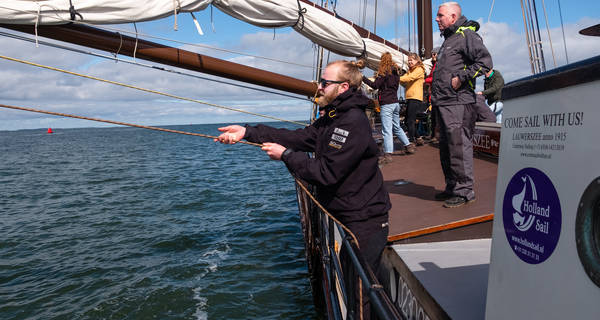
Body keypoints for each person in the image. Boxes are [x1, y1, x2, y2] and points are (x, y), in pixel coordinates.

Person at [215, 60, 391, 319]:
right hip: (350, 214)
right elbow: (299, 138)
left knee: (360, 294)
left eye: (324, 83)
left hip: (364, 219)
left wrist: (286, 156)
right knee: (354, 287)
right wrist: (248, 131)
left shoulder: (351, 122)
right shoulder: (335, 116)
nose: (318, 87)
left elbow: (326, 173)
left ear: (343, 87)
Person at [431, 2, 493, 208]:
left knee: (459, 147)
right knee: (446, 148)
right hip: (443, 102)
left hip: (458, 102)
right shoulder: (449, 39)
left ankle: (465, 191)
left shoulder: (467, 36)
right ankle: (452, 186)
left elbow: (485, 63)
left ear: (453, 17)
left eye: (440, 16)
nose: (437, 19)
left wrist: (460, 77)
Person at [361, 52, 415, 165]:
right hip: (395, 103)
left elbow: (375, 85)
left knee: (386, 130)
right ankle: (408, 146)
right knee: (397, 127)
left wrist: (363, 78)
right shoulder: (396, 72)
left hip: (387, 104)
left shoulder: (384, 72)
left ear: (383, 61)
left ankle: (388, 154)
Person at [399, 52, 426, 146]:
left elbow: (410, 78)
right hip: (410, 97)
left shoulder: (419, 69)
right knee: (408, 121)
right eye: (408, 60)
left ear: (417, 60)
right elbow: (406, 77)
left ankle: (411, 141)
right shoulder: (410, 70)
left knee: (410, 121)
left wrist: (396, 79)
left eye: (411, 60)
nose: (409, 62)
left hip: (415, 97)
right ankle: (418, 138)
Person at [425, 47, 440, 142]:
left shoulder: (438, 65)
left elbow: (435, 78)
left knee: (437, 116)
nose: (433, 55)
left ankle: (436, 135)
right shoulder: (434, 65)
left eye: (435, 54)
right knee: (433, 116)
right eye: (432, 54)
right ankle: (433, 135)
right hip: (434, 94)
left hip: (437, 94)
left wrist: (425, 80)